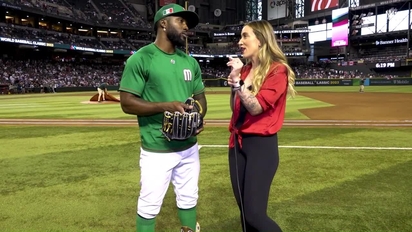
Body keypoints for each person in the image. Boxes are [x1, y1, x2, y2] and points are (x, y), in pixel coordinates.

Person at [118, 3, 207, 232]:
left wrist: (197, 116)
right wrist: (165, 106)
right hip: (157, 148)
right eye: (181, 21)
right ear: (164, 23)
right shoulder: (142, 58)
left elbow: (200, 97)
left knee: (189, 198)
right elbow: (127, 102)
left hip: (189, 147)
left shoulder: (190, 62)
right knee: (149, 205)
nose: (186, 27)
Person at [226, 20, 297, 232]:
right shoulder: (246, 70)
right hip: (237, 145)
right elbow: (235, 108)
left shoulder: (278, 70)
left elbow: (256, 108)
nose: (240, 41)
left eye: (245, 36)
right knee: (245, 215)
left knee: (255, 215)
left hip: (261, 147)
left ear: (261, 39)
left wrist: (239, 84)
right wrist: (235, 82)